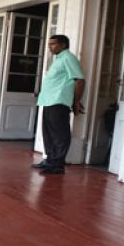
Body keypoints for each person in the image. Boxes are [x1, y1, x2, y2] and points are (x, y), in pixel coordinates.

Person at [32, 35, 85, 175]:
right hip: (49, 100)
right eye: (49, 44)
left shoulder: (68, 58)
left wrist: (76, 101)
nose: (50, 47)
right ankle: (49, 160)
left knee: (59, 134)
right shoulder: (58, 59)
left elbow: (79, 80)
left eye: (53, 44)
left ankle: (57, 165)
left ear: (63, 45)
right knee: (48, 133)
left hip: (59, 101)